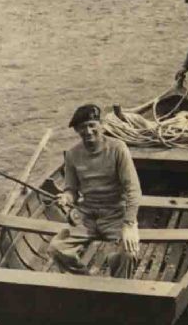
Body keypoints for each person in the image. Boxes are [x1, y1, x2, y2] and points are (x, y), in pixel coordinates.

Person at [48, 104, 141, 278]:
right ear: (76, 130)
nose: (88, 131)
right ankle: (85, 279)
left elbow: (134, 191)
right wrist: (66, 198)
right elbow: (71, 190)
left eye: (92, 125)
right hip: (87, 215)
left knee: (129, 254)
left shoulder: (118, 148)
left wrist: (129, 224)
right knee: (56, 249)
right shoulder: (72, 154)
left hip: (115, 213)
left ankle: (119, 287)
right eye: (83, 127)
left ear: (101, 125)